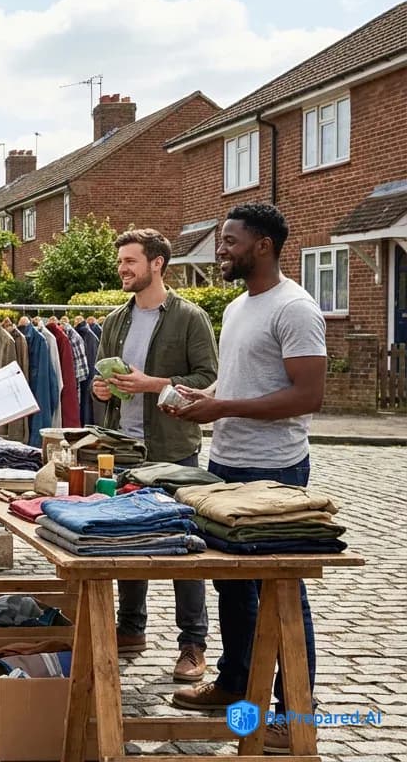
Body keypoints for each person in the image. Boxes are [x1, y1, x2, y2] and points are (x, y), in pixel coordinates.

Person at [166, 203, 327, 754]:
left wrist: (224, 406)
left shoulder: (296, 308)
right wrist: (206, 399)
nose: (222, 250)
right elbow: (243, 384)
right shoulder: (238, 307)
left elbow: (308, 396)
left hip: (276, 468)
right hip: (227, 462)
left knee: (282, 591)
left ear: (263, 244)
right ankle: (237, 687)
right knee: (231, 587)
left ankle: (296, 715)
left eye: (231, 241)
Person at [92, 228, 217, 683]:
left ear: (157, 264)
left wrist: (152, 384)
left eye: (130, 261)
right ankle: (131, 629)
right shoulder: (114, 321)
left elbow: (207, 378)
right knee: (128, 542)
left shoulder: (190, 318)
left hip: (173, 450)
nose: (123, 268)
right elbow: (100, 381)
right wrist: (101, 387)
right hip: (123, 448)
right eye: (121, 261)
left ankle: (192, 643)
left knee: (185, 548)